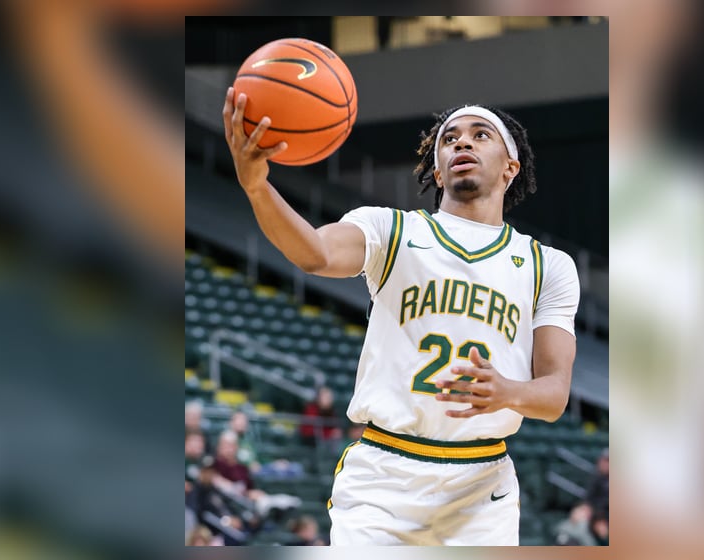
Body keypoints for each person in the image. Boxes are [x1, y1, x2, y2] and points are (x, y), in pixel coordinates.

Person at [223, 91, 579, 545]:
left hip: (481, 481)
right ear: (437, 170)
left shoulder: (547, 265)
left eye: (480, 135)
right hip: (385, 471)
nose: (461, 144)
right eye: (449, 139)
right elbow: (315, 253)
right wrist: (257, 186)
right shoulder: (390, 229)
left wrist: (507, 391)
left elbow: (554, 394)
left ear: (511, 167)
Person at [584, 448, 609, 519]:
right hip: (597, 513)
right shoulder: (595, 478)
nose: (606, 464)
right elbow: (588, 501)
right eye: (605, 461)